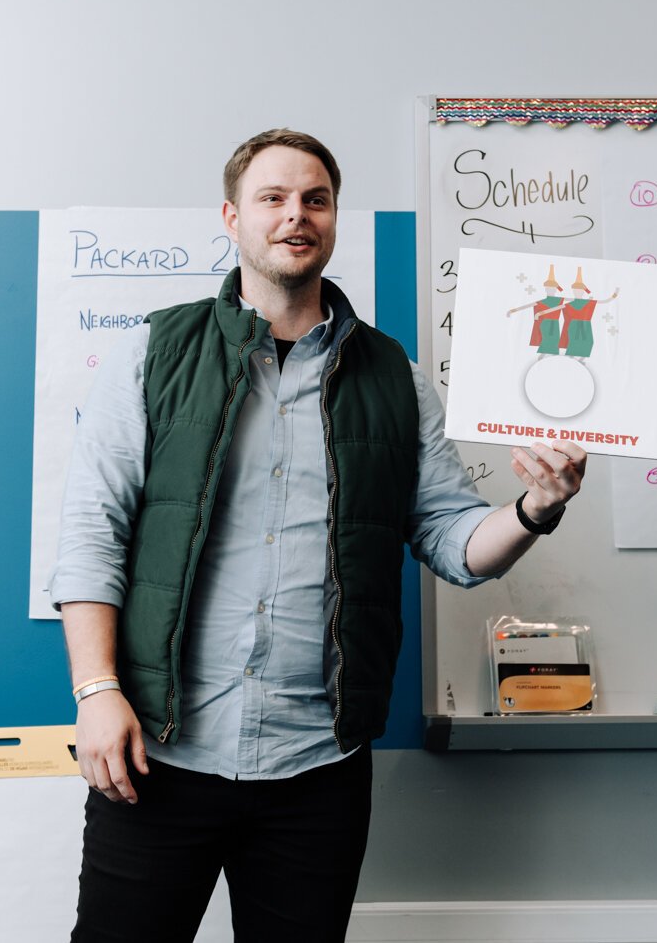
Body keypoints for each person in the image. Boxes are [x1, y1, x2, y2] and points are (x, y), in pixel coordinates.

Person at [49, 128, 587, 942]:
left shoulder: (395, 378)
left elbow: (449, 539)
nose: (294, 215)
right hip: (156, 755)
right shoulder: (154, 351)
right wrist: (97, 694)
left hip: (317, 769)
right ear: (232, 217)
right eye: (272, 198)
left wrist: (532, 510)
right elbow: (93, 532)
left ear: (334, 219)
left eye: (315, 199)